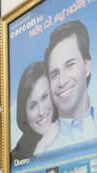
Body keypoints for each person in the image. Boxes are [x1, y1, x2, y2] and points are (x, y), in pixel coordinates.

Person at [44, 20, 96, 150]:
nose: (62, 81)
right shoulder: (46, 151)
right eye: (55, 74)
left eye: (70, 65)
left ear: (87, 66)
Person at [11, 61, 60, 161]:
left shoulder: (70, 127)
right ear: (24, 112)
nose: (41, 112)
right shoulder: (15, 157)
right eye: (33, 106)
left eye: (45, 97)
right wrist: (42, 145)